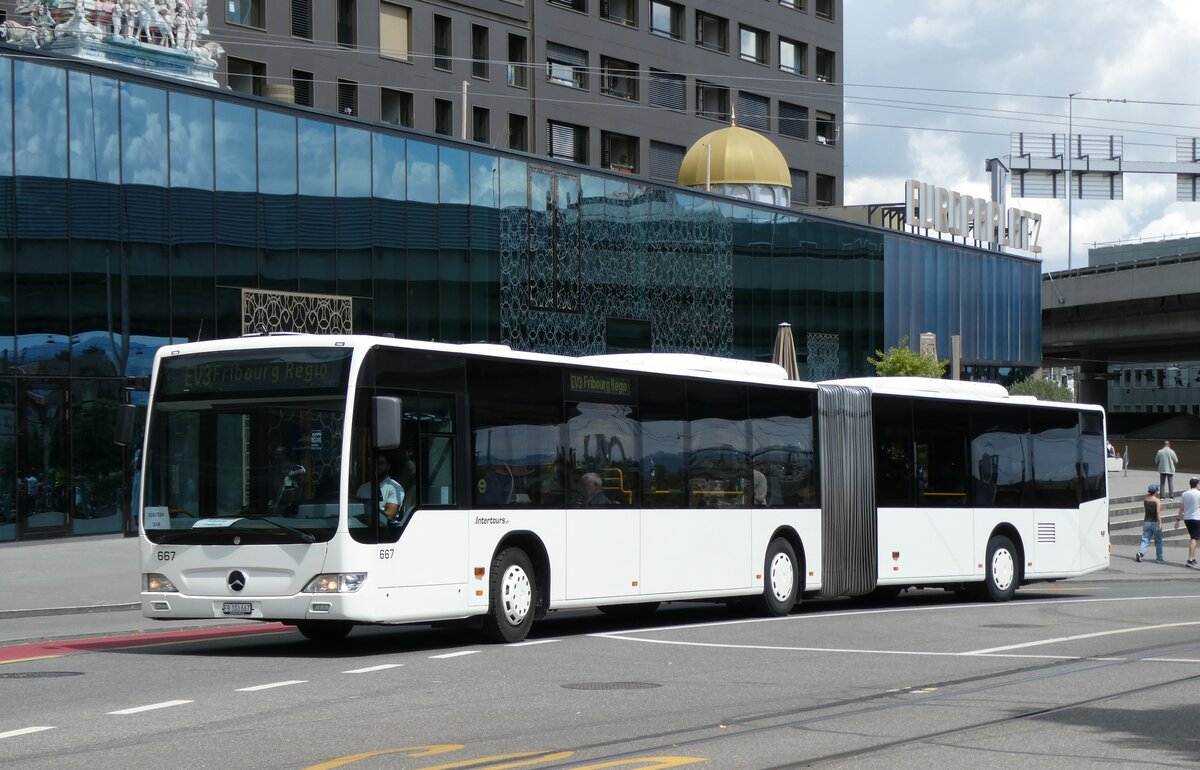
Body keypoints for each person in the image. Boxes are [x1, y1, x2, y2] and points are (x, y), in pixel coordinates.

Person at [356, 454, 404, 525]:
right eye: (374, 463)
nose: (377, 466)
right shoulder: (363, 488)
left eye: (381, 463)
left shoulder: (396, 488)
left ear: (388, 467)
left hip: (385, 531)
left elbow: (389, 516)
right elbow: (355, 510)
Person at [269, 444, 306, 515]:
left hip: (289, 503)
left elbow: (296, 485)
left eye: (278, 455)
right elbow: (272, 486)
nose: (275, 457)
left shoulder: (291, 467)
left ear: (283, 455)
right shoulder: (273, 469)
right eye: (275, 455)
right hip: (277, 500)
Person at [1135, 483, 1164, 564]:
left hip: (1146, 521)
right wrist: (1160, 523)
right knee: (1158, 541)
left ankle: (1140, 553)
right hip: (1155, 522)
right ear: (1155, 491)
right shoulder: (1157, 501)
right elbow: (1158, 513)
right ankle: (1159, 558)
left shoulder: (1146, 499)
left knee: (1145, 539)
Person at [1176, 476, 1200, 569]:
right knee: (1194, 539)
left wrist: (1178, 520)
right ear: (1197, 484)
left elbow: (1181, 508)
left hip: (1188, 519)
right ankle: (1190, 560)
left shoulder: (1184, 494)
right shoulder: (1199, 494)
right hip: (1196, 519)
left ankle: (1193, 558)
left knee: (1195, 538)